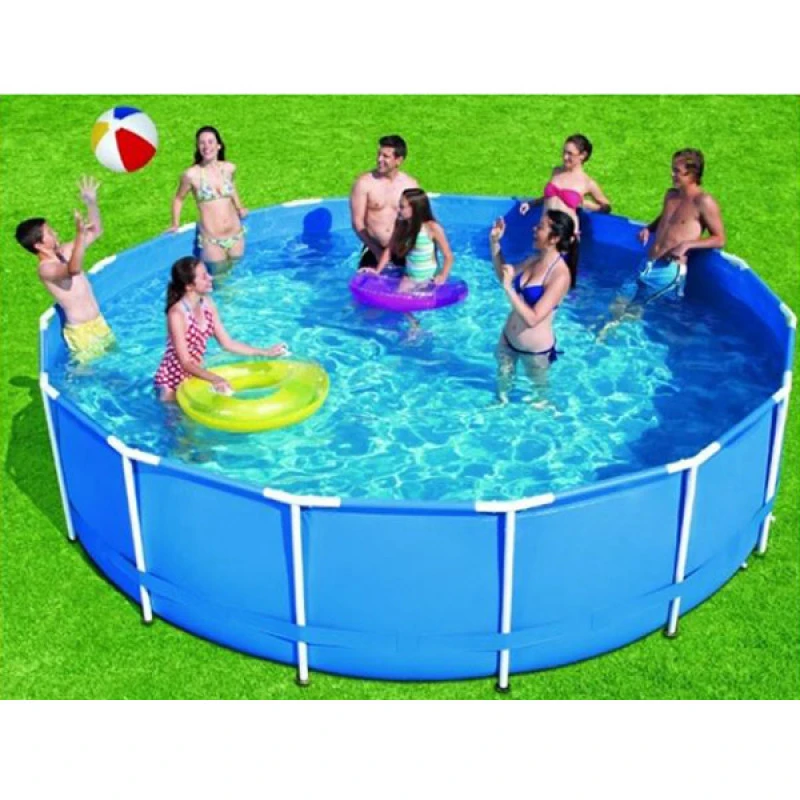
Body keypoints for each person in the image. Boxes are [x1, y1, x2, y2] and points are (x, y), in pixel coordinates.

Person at [598, 148, 726, 336]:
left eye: (677, 171)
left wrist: (687, 244)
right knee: (618, 301)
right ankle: (604, 332)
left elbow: (720, 239)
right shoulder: (671, 195)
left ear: (692, 174)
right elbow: (666, 217)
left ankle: (613, 340)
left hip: (668, 271)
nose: (672, 174)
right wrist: (649, 228)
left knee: (636, 311)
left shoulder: (703, 201)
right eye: (672, 169)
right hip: (647, 263)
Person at [154, 257, 287, 402]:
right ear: (189, 286)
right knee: (176, 415)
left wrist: (265, 352)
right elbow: (185, 362)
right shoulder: (177, 314)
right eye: (204, 276)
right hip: (172, 382)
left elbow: (227, 343)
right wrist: (216, 379)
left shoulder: (207, 303)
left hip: (196, 374)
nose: (210, 278)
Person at [15, 177, 114, 364]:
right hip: (81, 332)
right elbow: (73, 269)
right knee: (90, 372)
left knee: (113, 358)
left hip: (99, 322)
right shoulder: (45, 269)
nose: (56, 233)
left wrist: (91, 203)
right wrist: (79, 236)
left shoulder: (65, 251)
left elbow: (96, 231)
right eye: (50, 233)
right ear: (39, 245)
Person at [490, 209, 578, 405]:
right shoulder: (533, 260)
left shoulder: (560, 275)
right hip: (507, 340)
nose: (534, 229)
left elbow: (533, 319)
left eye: (540, 227)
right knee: (501, 392)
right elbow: (503, 275)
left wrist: (508, 289)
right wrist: (495, 242)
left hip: (535, 352)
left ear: (554, 238)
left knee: (540, 401)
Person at [169, 126, 248, 274]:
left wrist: (239, 206)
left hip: (236, 235)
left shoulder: (229, 168)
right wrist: (175, 223)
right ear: (198, 147)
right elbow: (179, 198)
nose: (206, 146)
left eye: (211, 142)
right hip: (212, 241)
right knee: (220, 282)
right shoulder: (191, 175)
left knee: (240, 275)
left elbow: (232, 187)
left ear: (219, 145)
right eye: (202, 143)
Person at [519, 134, 611, 234]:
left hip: (565, 235)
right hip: (544, 230)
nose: (565, 157)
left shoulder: (587, 183)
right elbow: (549, 197)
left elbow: (606, 207)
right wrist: (531, 203)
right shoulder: (557, 171)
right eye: (564, 152)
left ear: (582, 155)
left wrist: (585, 204)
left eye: (570, 154)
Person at [350, 135, 418, 270]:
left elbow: (419, 221)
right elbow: (357, 222)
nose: (379, 159)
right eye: (379, 154)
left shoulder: (410, 185)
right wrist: (376, 251)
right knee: (365, 279)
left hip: (402, 247)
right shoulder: (364, 184)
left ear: (398, 160)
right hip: (373, 247)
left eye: (385, 156)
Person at [375, 188, 454, 291]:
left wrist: (443, 276)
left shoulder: (431, 227)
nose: (398, 210)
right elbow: (390, 249)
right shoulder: (402, 225)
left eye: (402, 207)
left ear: (415, 208)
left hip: (428, 279)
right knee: (397, 299)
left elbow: (448, 256)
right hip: (410, 277)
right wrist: (377, 271)